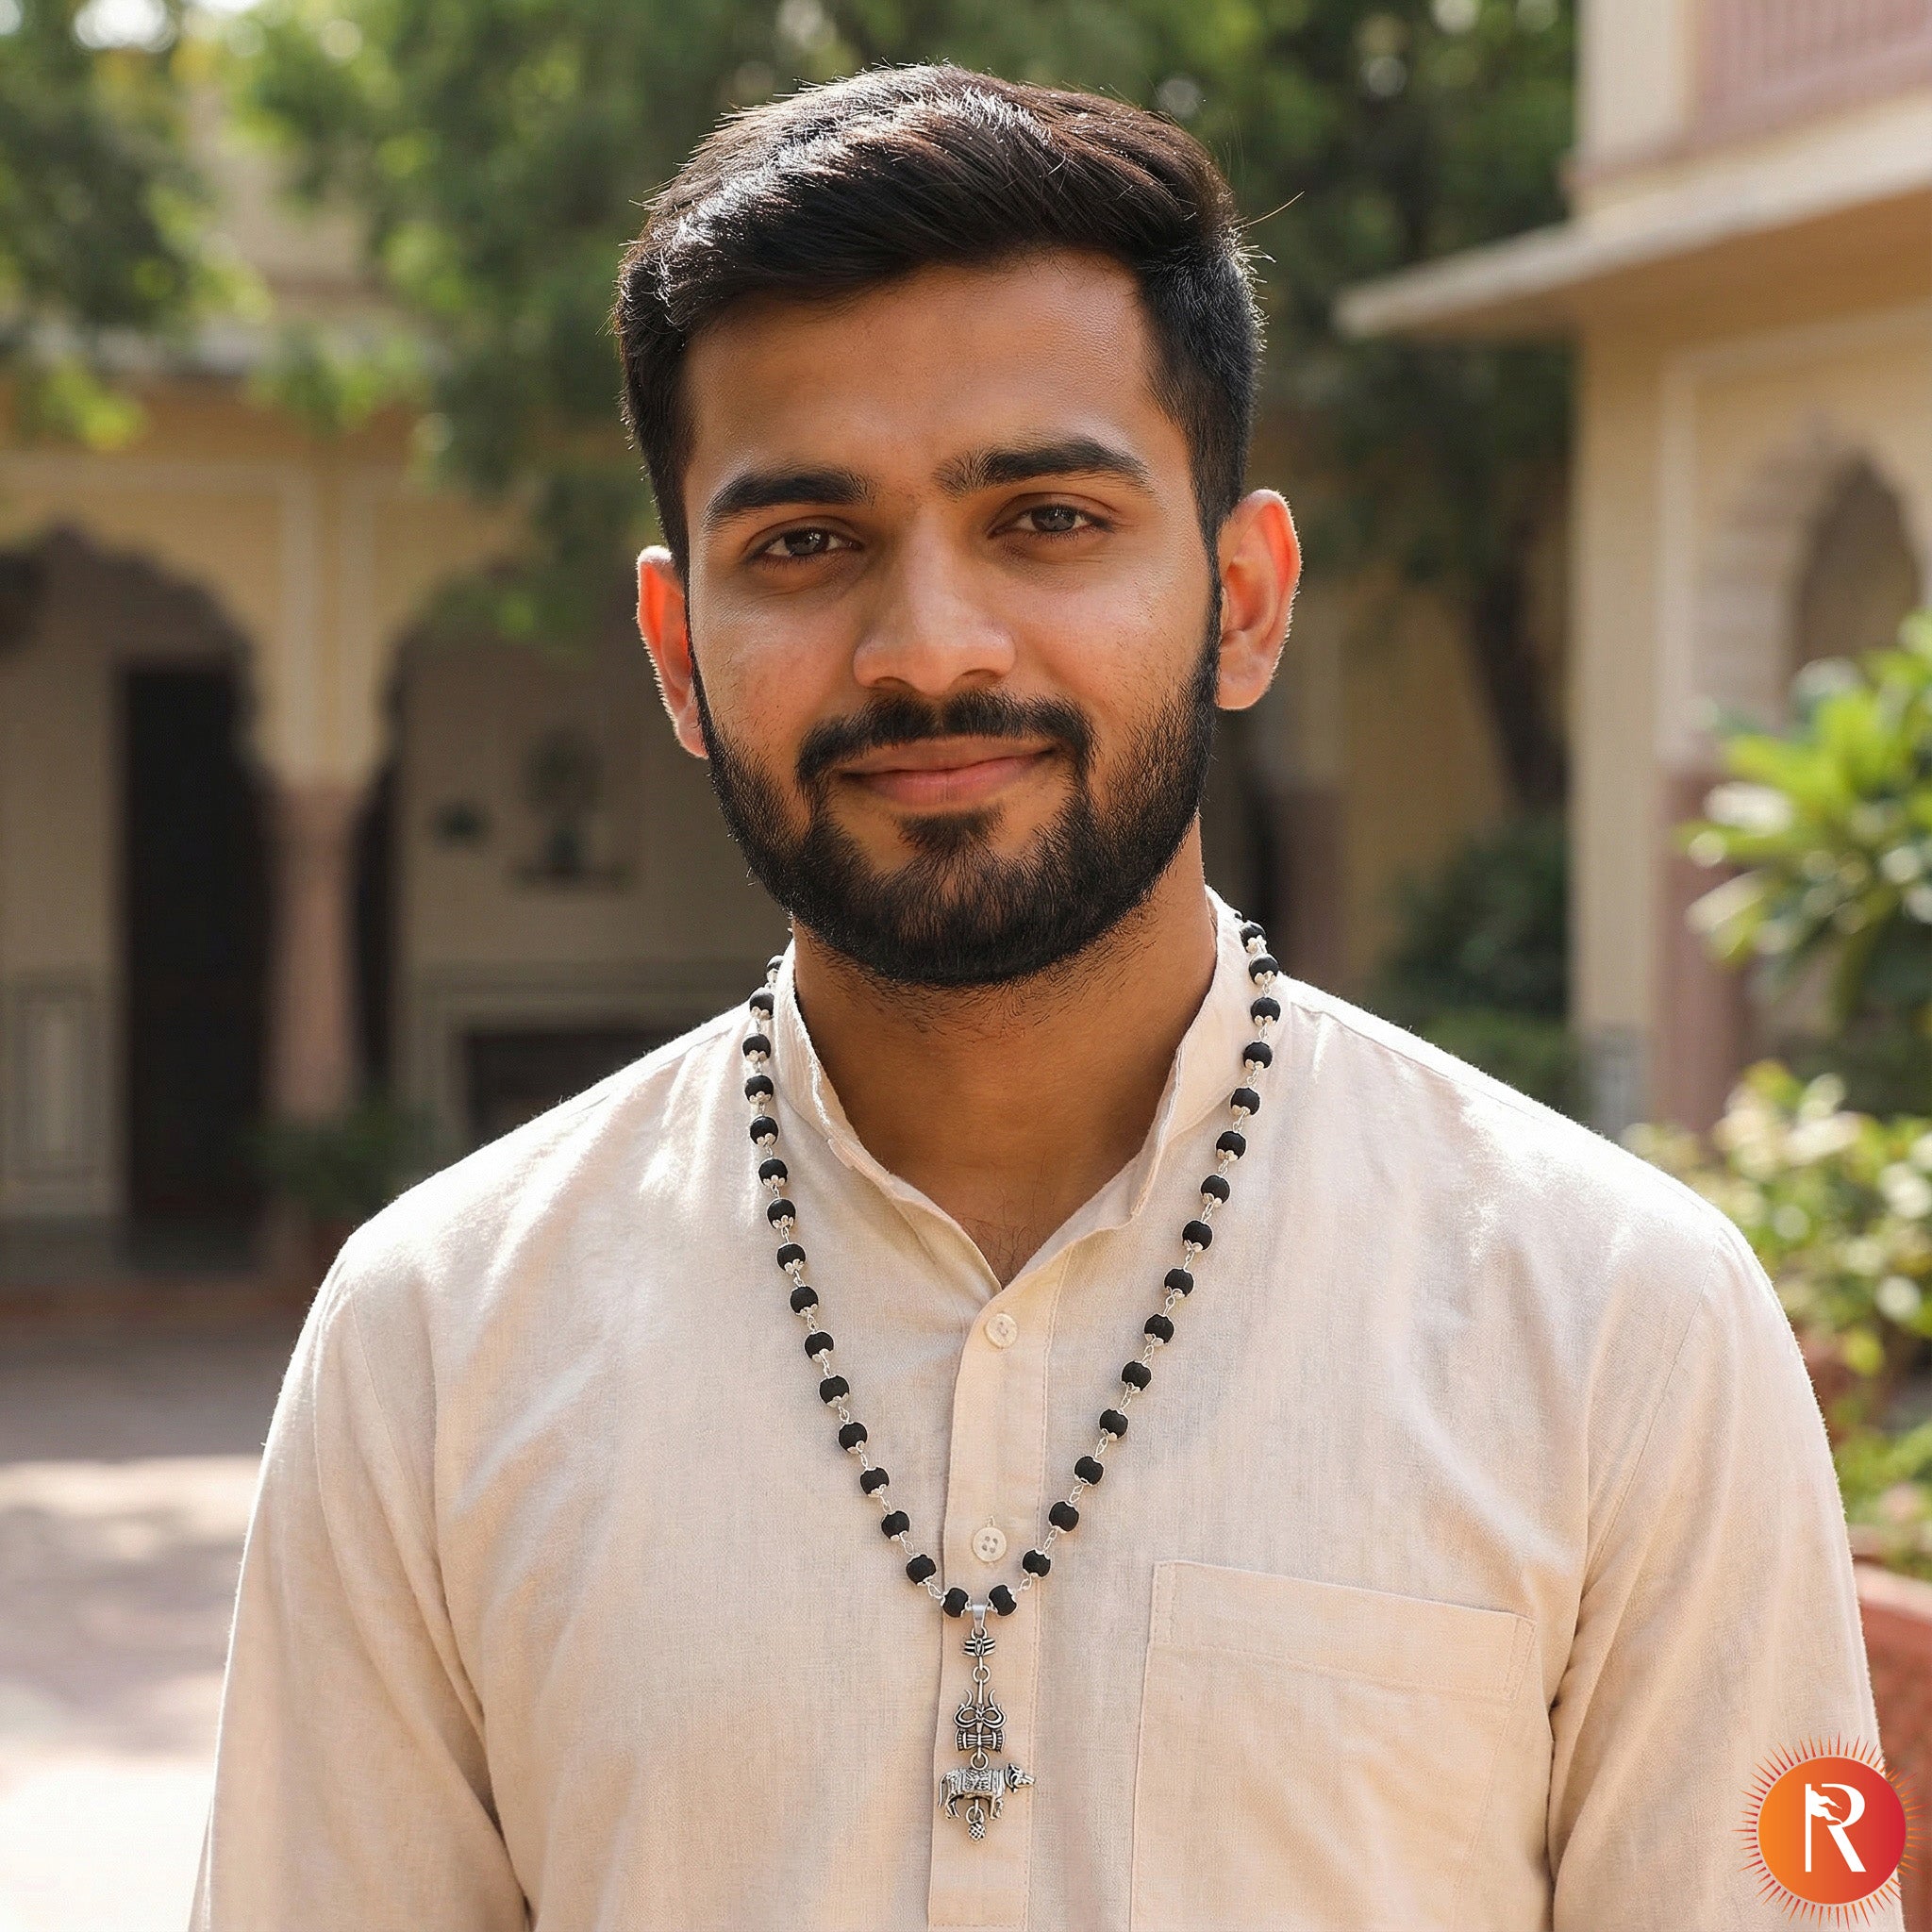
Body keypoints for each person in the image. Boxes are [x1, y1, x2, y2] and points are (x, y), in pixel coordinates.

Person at [193, 65, 1892, 1931]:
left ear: (1243, 600)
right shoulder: (442, 1346)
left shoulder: (1610, 1325)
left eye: (1048, 521)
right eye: (805, 544)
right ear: (680, 653)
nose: (930, 646)